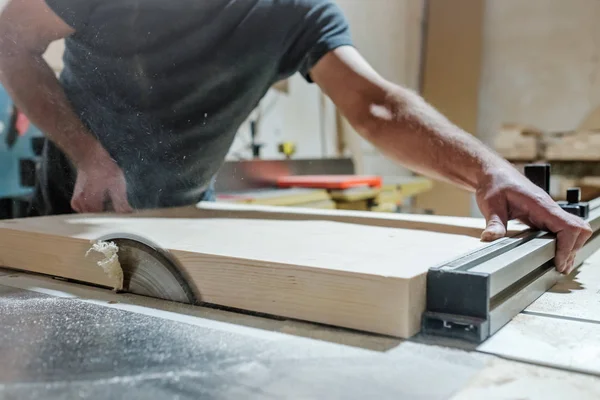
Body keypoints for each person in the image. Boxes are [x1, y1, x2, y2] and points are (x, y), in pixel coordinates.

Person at [0, 0, 591, 274]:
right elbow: (10, 36)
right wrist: (89, 154)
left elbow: (377, 106)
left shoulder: (292, 11)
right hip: (66, 219)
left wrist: (491, 172)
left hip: (185, 227)